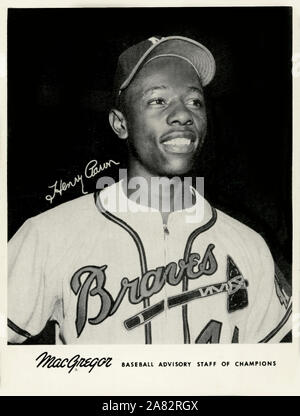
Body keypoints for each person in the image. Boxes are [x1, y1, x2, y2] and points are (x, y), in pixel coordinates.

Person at [8, 36, 292, 344]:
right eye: (158, 100)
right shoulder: (49, 234)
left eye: (195, 101)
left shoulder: (248, 246)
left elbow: (274, 376)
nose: (183, 114)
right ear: (120, 124)